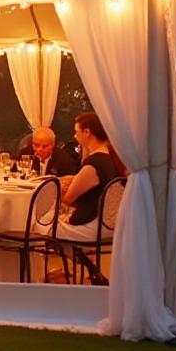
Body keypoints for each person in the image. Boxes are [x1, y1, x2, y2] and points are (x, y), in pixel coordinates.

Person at [59, 111, 126, 281]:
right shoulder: (114, 159)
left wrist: (58, 187)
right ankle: (89, 266)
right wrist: (75, 179)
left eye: (76, 131)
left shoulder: (94, 163)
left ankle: (83, 264)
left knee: (37, 224)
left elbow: (68, 199)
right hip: (112, 226)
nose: (75, 136)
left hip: (92, 228)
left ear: (87, 132)